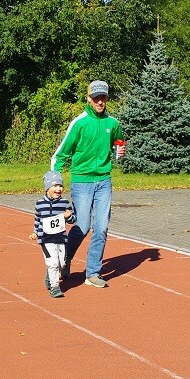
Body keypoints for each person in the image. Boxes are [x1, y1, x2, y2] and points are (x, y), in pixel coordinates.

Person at [51, 80, 124, 288]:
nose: (100, 101)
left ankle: (92, 273)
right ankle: (65, 258)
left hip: (103, 181)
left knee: (101, 228)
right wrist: (54, 181)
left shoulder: (113, 123)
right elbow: (61, 154)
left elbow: (119, 142)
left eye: (103, 98)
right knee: (82, 226)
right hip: (81, 181)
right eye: (96, 98)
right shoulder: (80, 123)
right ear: (89, 99)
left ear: (107, 99)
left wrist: (119, 151)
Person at [30, 171, 76, 298]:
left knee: (61, 264)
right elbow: (38, 220)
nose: (58, 189)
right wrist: (35, 232)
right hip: (46, 239)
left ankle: (50, 275)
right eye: (55, 186)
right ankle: (55, 287)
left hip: (61, 238)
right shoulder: (40, 204)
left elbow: (73, 220)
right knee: (53, 263)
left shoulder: (65, 203)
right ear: (47, 188)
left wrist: (69, 216)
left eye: (60, 186)